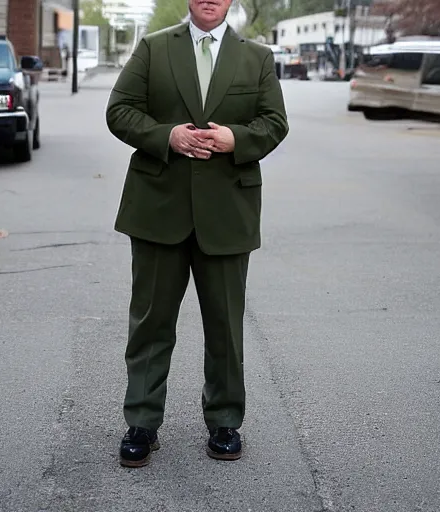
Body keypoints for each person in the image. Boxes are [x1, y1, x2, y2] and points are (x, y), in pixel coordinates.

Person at [106, 0, 288, 467]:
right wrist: (167, 135)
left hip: (228, 212)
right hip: (158, 209)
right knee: (150, 323)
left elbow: (274, 123)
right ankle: (142, 423)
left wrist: (236, 140)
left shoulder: (257, 57)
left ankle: (226, 420)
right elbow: (120, 110)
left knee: (225, 324)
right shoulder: (152, 49)